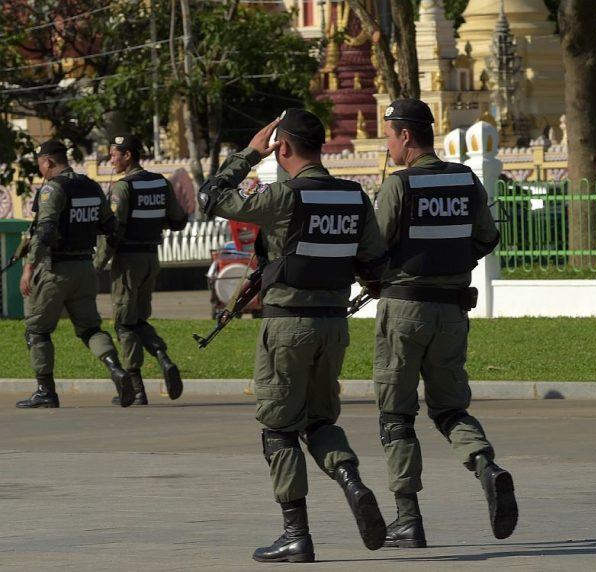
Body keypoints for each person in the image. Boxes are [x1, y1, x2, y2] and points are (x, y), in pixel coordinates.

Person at [197, 109, 389, 563]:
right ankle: (351, 481)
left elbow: (210, 197)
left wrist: (248, 153)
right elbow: (375, 266)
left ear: (282, 148)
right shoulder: (354, 198)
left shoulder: (283, 198)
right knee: (321, 422)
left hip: (286, 327)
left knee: (279, 430)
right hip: (333, 326)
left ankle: (295, 534)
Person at [371, 98, 518, 547]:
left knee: (396, 416)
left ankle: (407, 518)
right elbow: (487, 238)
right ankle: (485, 466)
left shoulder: (398, 186)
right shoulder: (466, 180)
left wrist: (380, 276)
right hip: (452, 312)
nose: (388, 145)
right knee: (450, 407)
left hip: (404, 311)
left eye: (390, 136)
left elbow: (373, 251)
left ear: (407, 137)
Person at [16, 140, 135, 409]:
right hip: (84, 268)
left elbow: (44, 232)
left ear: (47, 162)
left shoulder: (52, 189)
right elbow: (111, 227)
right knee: (90, 328)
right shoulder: (91, 186)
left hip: (55, 270)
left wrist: (28, 268)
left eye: (40, 165)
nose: (41, 169)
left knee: (37, 330)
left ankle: (45, 391)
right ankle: (116, 368)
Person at [95, 134, 187, 406]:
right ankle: (163, 358)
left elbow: (114, 233)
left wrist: (98, 263)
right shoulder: (161, 182)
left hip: (128, 262)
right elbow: (179, 220)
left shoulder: (123, 188)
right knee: (139, 319)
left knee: (124, 322)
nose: (111, 158)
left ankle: (136, 388)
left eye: (114, 154)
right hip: (151, 259)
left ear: (128, 156)